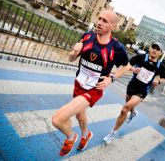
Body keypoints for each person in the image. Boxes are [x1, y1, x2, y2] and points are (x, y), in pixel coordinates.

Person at [52, 10, 130, 156]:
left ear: (113, 26)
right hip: (79, 84)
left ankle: (71, 137)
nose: (99, 22)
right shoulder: (87, 36)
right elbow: (71, 59)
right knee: (80, 116)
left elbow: (126, 66)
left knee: (57, 119)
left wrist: (111, 78)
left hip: (94, 90)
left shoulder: (116, 48)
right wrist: (74, 52)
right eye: (99, 18)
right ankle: (86, 135)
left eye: (105, 21)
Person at [103, 42, 165, 144]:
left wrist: (158, 81)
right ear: (149, 48)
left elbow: (164, 77)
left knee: (124, 109)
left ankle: (112, 133)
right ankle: (133, 113)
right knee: (129, 105)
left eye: (157, 49)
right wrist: (133, 69)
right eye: (153, 47)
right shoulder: (140, 57)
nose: (154, 50)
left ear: (160, 52)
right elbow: (127, 64)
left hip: (142, 90)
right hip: (132, 86)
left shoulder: (160, 66)